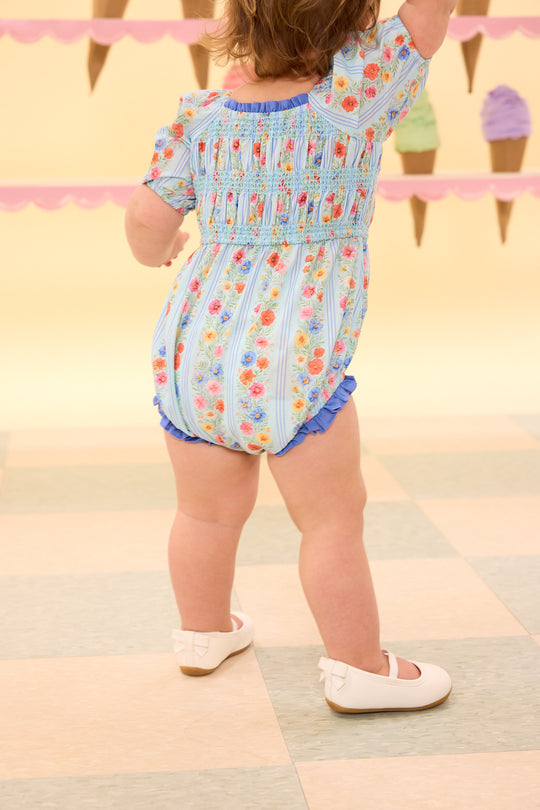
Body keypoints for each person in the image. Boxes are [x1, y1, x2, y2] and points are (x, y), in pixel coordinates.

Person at [125, 0, 456, 713]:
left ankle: (202, 633)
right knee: (332, 519)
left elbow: (147, 221)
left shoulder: (202, 114)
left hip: (197, 356)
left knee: (205, 514)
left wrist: (162, 251)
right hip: (293, 363)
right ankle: (359, 668)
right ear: (357, 26)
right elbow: (425, 21)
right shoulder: (353, 100)